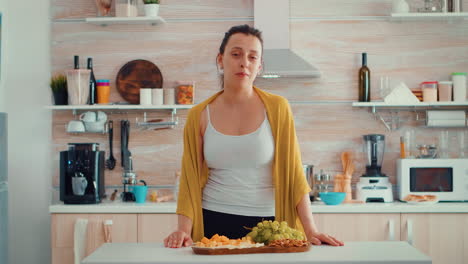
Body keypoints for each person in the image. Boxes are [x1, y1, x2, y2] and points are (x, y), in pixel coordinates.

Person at [164, 24, 344, 248]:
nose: (244, 63)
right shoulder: (198, 115)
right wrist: (183, 230)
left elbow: (295, 173)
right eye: (236, 54)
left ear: (259, 66)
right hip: (212, 221)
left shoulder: (278, 108)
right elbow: (189, 178)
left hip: (268, 224)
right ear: (221, 60)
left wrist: (311, 230)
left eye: (252, 57)